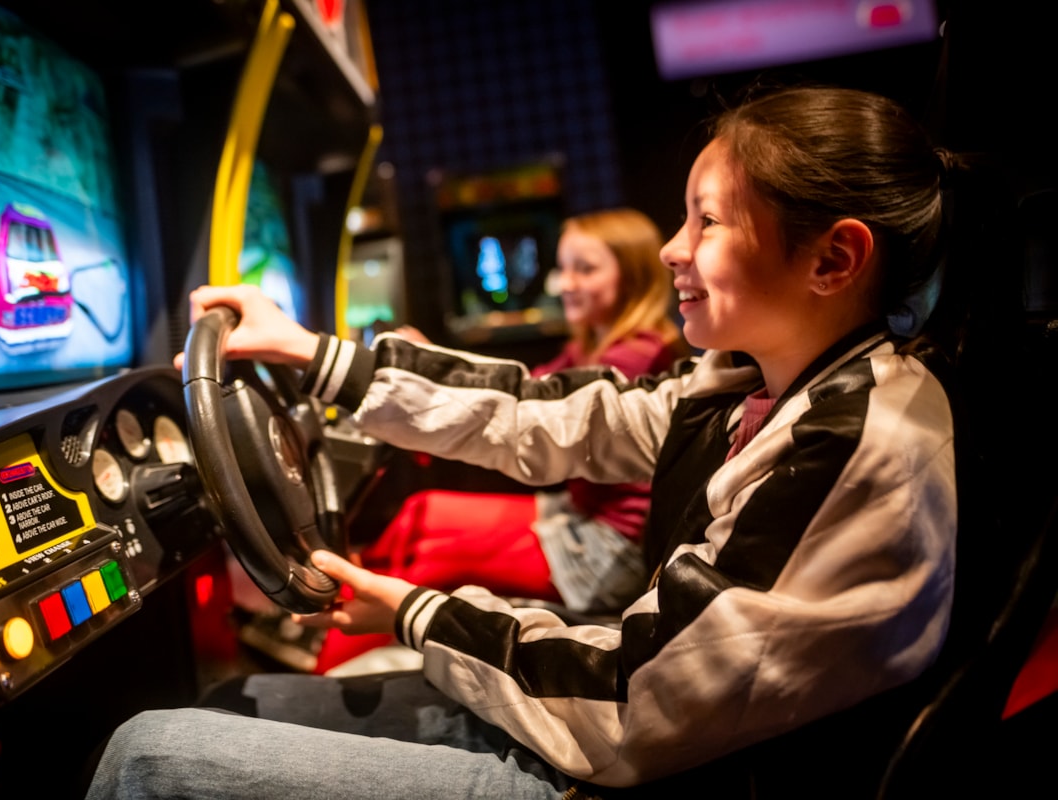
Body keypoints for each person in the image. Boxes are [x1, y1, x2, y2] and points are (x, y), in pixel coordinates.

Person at [85, 85, 960, 799]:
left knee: (149, 756)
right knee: (236, 700)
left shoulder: (853, 439)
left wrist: (414, 610)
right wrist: (316, 356)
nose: (670, 250)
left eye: (707, 223)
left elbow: (634, 700)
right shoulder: (756, 382)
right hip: (641, 736)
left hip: (654, 773)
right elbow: (547, 411)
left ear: (833, 261)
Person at [311, 208, 688, 674]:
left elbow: (530, 412)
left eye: (585, 269)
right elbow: (526, 387)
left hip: (607, 548)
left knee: (430, 559)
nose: (564, 283)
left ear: (631, 276)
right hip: (580, 516)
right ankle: (333, 603)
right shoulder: (599, 341)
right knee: (422, 510)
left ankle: (321, 668)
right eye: (563, 267)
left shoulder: (636, 354)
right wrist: (428, 363)